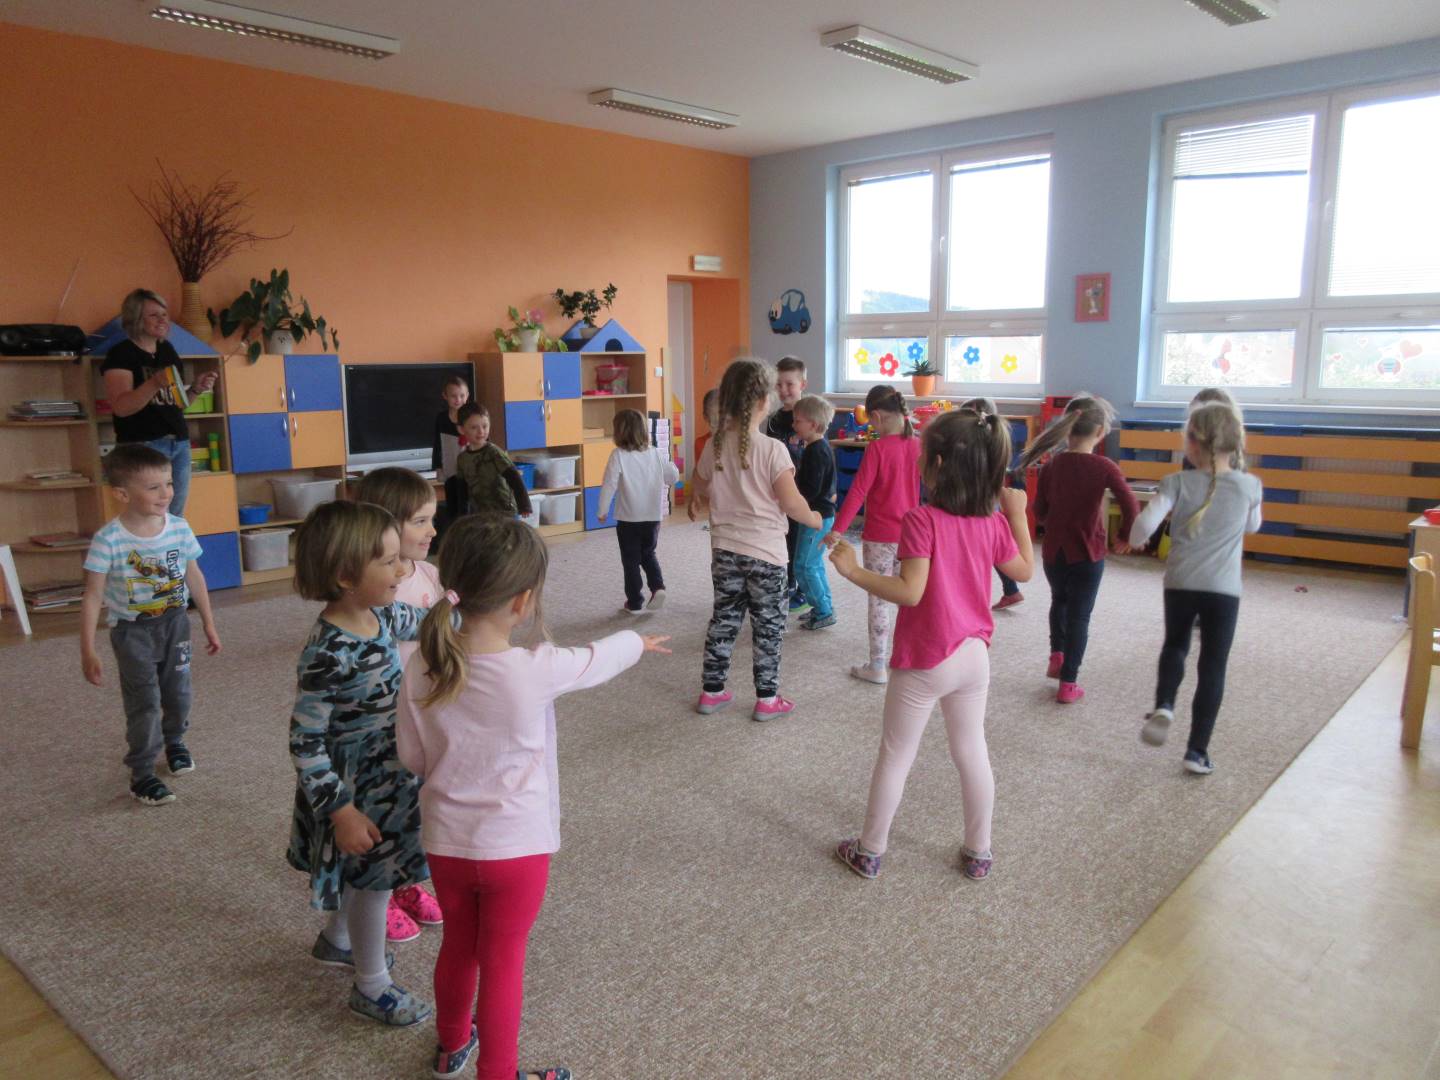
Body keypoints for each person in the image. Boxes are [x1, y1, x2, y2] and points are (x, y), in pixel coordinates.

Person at [397, 515, 668, 1080]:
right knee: (503, 962)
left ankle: (451, 1045)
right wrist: (637, 642)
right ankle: (498, 1073)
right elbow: (596, 659)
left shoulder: (421, 662)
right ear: (522, 602)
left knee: (459, 946)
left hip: (446, 842)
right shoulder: (534, 668)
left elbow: (412, 757)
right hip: (516, 851)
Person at [829, 410, 1033, 881]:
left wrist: (854, 570)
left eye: (922, 455)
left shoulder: (922, 519)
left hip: (926, 658)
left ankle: (869, 850)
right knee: (972, 750)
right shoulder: (992, 521)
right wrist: (1018, 514)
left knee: (896, 753)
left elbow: (910, 592)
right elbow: (1024, 570)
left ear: (937, 464)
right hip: (974, 656)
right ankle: (979, 851)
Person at [287, 501, 433, 1028]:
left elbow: (430, 621)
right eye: (389, 562)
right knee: (374, 881)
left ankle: (338, 939)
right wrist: (341, 811)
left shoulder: (380, 614)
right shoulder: (328, 650)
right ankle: (372, 986)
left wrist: (474, 614)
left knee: (364, 872)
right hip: (356, 786)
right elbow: (305, 741)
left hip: (388, 768)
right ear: (347, 577)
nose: (402, 570)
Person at [79, 443, 221, 806]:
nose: (166, 493)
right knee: (144, 701)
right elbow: (93, 596)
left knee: (179, 692)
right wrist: (88, 650)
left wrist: (208, 622)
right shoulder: (108, 539)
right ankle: (141, 773)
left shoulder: (179, 528)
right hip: (132, 632)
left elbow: (194, 575)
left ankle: (175, 743)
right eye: (154, 487)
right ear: (122, 494)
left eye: (169, 483)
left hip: (175, 624)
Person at [1129, 403, 1263, 775]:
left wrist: (1136, 539)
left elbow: (1142, 529)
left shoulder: (1177, 482)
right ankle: (1197, 751)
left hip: (1181, 583)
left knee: (1175, 645)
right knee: (1213, 664)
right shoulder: (1250, 485)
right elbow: (1253, 526)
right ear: (1236, 442)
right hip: (1224, 589)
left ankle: (1164, 704)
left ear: (1191, 443)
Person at [687, 359, 822, 721]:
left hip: (725, 552)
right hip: (766, 556)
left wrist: (699, 497)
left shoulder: (714, 446)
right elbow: (791, 503)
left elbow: (699, 481)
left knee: (724, 620)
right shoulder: (772, 449)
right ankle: (767, 699)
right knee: (769, 628)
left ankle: (712, 692)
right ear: (764, 401)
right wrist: (813, 517)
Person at [352, 467, 447, 945]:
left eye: (432, 519)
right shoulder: (372, 589)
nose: (432, 530)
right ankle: (380, 890)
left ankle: (406, 880)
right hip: (383, 718)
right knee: (385, 803)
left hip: (425, 710)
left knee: (417, 802)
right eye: (420, 522)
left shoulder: (430, 574)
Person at [1017, 395, 1138, 704]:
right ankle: (1068, 682)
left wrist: (1054, 521)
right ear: (1099, 431)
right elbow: (1130, 503)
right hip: (1088, 553)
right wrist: (1125, 535)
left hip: (1054, 553)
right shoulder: (1105, 466)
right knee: (1079, 617)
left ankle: (1056, 656)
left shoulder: (1052, 464)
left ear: (1067, 428)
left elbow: (1039, 510)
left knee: (1059, 601)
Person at [828, 385, 922, 685]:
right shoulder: (919, 445)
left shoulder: (877, 449)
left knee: (879, 599)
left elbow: (858, 492)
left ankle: (878, 665)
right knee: (910, 597)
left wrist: (837, 529)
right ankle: (911, 658)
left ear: (877, 416)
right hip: (913, 537)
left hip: (880, 536)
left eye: (870, 421)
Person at [99, 289, 218, 517]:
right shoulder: (121, 354)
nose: (163, 320)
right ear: (135, 319)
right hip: (143, 444)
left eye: (164, 314)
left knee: (175, 517)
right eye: (154, 315)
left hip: (178, 443)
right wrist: (153, 383)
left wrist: (196, 388)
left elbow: (176, 404)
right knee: (148, 517)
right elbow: (121, 407)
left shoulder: (167, 350)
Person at [597, 408, 680, 614]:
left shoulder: (618, 455)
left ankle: (634, 602)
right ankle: (658, 587)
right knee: (648, 553)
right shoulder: (655, 453)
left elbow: (609, 484)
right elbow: (672, 477)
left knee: (630, 560)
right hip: (652, 517)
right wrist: (671, 469)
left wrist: (602, 510)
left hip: (628, 519)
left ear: (619, 432)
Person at [962, 396, 1026, 611]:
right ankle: (1011, 589)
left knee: (990, 549)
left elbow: (1026, 569)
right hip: (986, 505)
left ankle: (1010, 589)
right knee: (995, 548)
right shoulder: (991, 443)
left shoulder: (980, 447)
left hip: (981, 506)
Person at [764, 356, 808, 611]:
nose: (783, 390)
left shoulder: (811, 416)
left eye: (789, 384)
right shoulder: (772, 420)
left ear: (802, 384)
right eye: (778, 384)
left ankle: (802, 588)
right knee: (784, 539)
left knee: (803, 545)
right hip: (780, 492)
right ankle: (787, 583)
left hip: (804, 492)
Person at [791, 395, 838, 631]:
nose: (794, 425)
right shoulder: (817, 447)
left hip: (817, 517)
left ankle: (823, 611)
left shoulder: (816, 451)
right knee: (814, 564)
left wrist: (790, 496)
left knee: (804, 566)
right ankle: (823, 606)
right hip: (818, 515)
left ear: (814, 424)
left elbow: (811, 489)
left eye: (798, 421)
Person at [454, 403, 532, 519]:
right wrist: (462, 515)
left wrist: (524, 505)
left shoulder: (494, 453)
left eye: (485, 426)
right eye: (474, 427)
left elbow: (514, 477)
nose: (481, 431)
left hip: (505, 512)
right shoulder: (462, 458)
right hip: (481, 514)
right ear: (461, 429)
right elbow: (462, 490)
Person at [432, 374, 471, 535]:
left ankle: (467, 534)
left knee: (466, 505)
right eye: (453, 396)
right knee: (452, 505)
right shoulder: (441, 418)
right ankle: (455, 534)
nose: (458, 400)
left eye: (462, 395)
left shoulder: (471, 416)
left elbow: (484, 441)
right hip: (450, 469)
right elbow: (437, 443)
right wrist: (437, 466)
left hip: (468, 471)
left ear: (467, 396)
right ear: (445, 396)